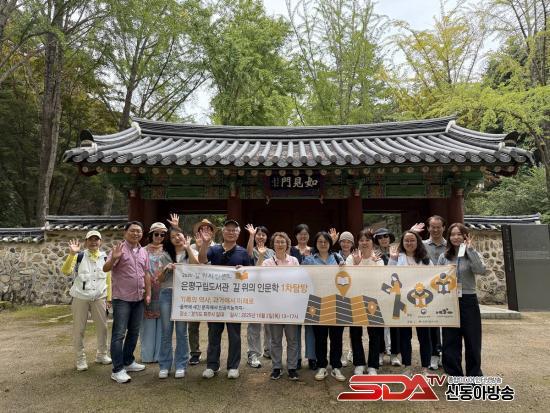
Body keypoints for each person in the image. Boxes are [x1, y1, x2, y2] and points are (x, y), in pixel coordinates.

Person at [199, 219, 252, 379]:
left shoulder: (243, 252)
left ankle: (233, 366)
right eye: (228, 229)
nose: (231, 232)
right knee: (213, 333)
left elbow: (248, 276)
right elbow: (202, 260)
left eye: (234, 230)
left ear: (238, 233)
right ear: (223, 232)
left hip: (234, 301)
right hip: (215, 300)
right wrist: (205, 243)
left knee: (234, 335)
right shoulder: (214, 249)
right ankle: (212, 366)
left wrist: (241, 272)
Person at [103, 221, 152, 384]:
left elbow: (146, 273)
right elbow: (105, 268)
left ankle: (128, 361)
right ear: (125, 232)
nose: (136, 233)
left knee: (134, 331)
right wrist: (113, 259)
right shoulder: (118, 249)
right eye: (132, 231)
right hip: (122, 298)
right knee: (119, 334)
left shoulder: (143, 251)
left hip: (138, 298)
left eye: (139, 231)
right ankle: (117, 370)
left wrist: (148, 293)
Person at [438, 223, 486, 376]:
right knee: (450, 339)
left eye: (459, 234)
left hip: (468, 299)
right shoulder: (444, 256)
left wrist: (470, 250)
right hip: (449, 300)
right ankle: (454, 374)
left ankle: (474, 374)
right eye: (453, 234)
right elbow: (437, 278)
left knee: (472, 339)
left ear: (465, 236)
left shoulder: (472, 253)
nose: (456, 237)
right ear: (449, 237)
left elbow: (481, 270)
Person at [61, 230, 111, 371]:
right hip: (80, 297)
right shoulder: (79, 256)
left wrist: (109, 298)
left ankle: (102, 354)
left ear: (100, 242)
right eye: (91, 239)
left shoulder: (105, 257)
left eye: (96, 239)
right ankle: (80, 358)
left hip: (99, 297)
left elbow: (108, 279)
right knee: (79, 329)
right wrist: (72, 254)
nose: (93, 242)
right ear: (86, 242)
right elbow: (66, 271)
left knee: (103, 327)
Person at [303, 231, 346, 382]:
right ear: (316, 243)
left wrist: (344, 268)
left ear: (330, 243)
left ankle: (336, 366)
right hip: (317, 302)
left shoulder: (338, 258)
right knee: (320, 337)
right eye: (320, 241)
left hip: (337, 302)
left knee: (336, 337)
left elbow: (346, 278)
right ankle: (322, 366)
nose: (323, 244)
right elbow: (303, 278)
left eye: (326, 241)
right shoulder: (309, 260)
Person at [388, 230, 432, 376]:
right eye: (406, 240)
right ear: (402, 243)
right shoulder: (397, 257)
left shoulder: (426, 260)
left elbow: (433, 277)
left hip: (421, 303)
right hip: (403, 302)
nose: (409, 243)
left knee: (424, 336)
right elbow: (389, 275)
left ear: (418, 242)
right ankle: (407, 366)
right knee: (405, 336)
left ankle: (425, 367)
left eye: (412, 240)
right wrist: (392, 259)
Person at [157, 227, 199, 379]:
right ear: (169, 240)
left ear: (184, 236)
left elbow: (197, 267)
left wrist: (188, 248)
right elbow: (159, 279)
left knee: (182, 332)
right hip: (167, 294)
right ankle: (164, 365)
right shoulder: (165, 255)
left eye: (178, 235)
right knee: (166, 331)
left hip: (183, 295)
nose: (176, 238)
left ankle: (181, 364)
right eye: (173, 236)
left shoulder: (191, 252)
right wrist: (166, 269)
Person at [262, 232, 300, 380]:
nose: (280, 244)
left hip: (291, 307)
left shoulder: (294, 261)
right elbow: (262, 281)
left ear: (287, 244)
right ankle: (276, 367)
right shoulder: (267, 263)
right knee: (275, 340)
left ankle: (292, 368)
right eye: (277, 242)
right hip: (274, 307)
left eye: (282, 242)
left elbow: (299, 282)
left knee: (292, 340)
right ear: (273, 244)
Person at [347, 229, 384, 375]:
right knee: (355, 333)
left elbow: (381, 278)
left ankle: (373, 365)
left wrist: (374, 263)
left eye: (367, 240)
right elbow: (347, 278)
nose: (364, 243)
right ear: (357, 242)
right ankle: (359, 363)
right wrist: (356, 265)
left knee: (374, 334)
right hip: (355, 298)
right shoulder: (352, 258)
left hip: (374, 299)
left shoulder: (378, 259)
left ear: (372, 242)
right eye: (361, 240)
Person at [245, 224, 275, 368]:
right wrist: (251, 236)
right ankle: (253, 353)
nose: (261, 237)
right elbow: (249, 255)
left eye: (263, 234)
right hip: (254, 291)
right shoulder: (251, 249)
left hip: (269, 291)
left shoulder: (272, 251)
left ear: (267, 237)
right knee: (254, 324)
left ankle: (269, 350)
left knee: (270, 323)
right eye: (258, 234)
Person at [188, 218, 217, 365]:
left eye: (208, 228)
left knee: (213, 325)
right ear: (198, 232)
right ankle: (194, 353)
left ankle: (212, 354)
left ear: (212, 232)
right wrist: (199, 248)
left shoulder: (218, 247)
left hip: (213, 290)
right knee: (193, 325)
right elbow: (193, 265)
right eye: (202, 229)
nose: (205, 231)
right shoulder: (191, 246)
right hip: (195, 289)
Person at [139, 222, 167, 364]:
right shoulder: (142, 250)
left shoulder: (168, 251)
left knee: (163, 325)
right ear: (151, 234)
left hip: (164, 290)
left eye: (163, 234)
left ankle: (159, 355)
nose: (159, 236)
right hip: (147, 290)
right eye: (156, 234)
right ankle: (147, 355)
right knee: (147, 325)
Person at [373, 227, 401, 367]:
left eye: (385, 236)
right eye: (380, 237)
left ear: (390, 237)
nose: (383, 239)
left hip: (395, 292)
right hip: (379, 292)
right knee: (378, 324)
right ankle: (379, 353)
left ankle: (394, 354)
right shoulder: (374, 253)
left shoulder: (397, 251)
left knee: (395, 325)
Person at [421, 216, 447, 370]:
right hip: (428, 290)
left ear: (443, 227)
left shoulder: (450, 245)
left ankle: (447, 354)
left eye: (438, 227)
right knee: (431, 323)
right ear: (428, 228)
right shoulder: (422, 246)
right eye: (433, 227)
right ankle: (434, 355)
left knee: (447, 323)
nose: (435, 230)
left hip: (446, 289)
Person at [289, 223, 315, 370]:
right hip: (294, 293)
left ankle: (312, 357)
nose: (303, 236)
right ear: (296, 235)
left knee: (311, 327)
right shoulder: (290, 250)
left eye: (305, 234)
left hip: (310, 292)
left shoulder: (313, 250)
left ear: (309, 236)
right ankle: (296, 358)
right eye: (300, 234)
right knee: (295, 328)